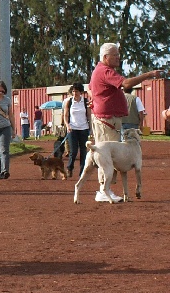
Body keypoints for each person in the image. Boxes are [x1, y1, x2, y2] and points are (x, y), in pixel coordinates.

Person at [88, 42, 161, 201]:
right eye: (115, 55)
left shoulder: (101, 71)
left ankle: (105, 190)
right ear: (106, 57)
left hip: (108, 120)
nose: (118, 57)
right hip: (107, 121)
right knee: (106, 155)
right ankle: (103, 191)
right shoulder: (105, 71)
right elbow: (126, 83)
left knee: (107, 154)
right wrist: (149, 74)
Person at [62, 82, 91, 179]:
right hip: (72, 128)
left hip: (84, 128)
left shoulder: (85, 101)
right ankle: (70, 167)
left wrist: (90, 128)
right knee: (73, 151)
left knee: (83, 151)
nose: (75, 93)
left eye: (77, 91)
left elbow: (89, 116)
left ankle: (82, 172)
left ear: (81, 92)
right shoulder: (69, 102)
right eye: (73, 91)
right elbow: (65, 115)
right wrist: (67, 125)